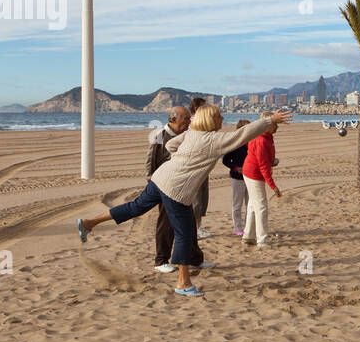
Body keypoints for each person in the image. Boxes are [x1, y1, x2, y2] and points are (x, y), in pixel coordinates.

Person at [78, 107, 289, 294]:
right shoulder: (213, 141)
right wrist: (270, 120)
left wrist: (182, 162)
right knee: (185, 233)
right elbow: (244, 134)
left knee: (136, 207)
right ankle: (183, 283)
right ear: (210, 120)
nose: (222, 118)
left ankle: (89, 223)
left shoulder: (192, 134)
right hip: (175, 189)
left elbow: (171, 146)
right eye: (219, 116)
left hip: (161, 177)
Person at [149, 106, 203, 273]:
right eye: (185, 119)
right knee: (166, 224)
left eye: (189, 118)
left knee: (190, 223)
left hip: (183, 186)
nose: (189, 122)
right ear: (173, 120)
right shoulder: (159, 136)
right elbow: (151, 163)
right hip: (165, 186)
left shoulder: (186, 134)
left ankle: (194, 259)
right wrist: (154, 187)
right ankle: (161, 260)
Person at [243, 112, 283, 246]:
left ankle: (248, 235)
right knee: (261, 207)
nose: (277, 127)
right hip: (253, 174)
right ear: (267, 125)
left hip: (251, 171)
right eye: (275, 124)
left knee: (253, 205)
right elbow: (263, 166)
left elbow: (264, 160)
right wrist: (273, 186)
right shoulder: (261, 139)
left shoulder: (267, 136)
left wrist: (271, 161)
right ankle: (262, 239)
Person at [221, 118, 252, 237]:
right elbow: (225, 160)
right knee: (237, 204)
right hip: (237, 177)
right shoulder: (234, 144)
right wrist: (236, 168)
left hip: (251, 177)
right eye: (248, 129)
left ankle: (249, 227)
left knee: (250, 204)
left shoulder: (252, 142)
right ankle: (238, 228)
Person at [188, 98, 212, 239]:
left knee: (202, 198)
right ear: (196, 109)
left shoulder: (202, 123)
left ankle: (198, 227)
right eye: (204, 107)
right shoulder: (193, 123)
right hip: (196, 166)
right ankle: (195, 229)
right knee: (196, 200)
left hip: (204, 165)